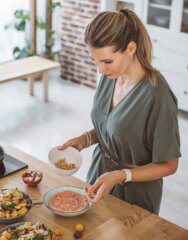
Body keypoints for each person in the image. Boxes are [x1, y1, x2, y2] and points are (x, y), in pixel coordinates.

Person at [58, 8, 181, 215]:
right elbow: (114, 127)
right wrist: (84, 139)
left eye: (107, 61)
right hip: (100, 175)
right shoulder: (111, 77)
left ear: (131, 48)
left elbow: (169, 165)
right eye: (94, 61)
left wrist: (120, 175)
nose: (101, 70)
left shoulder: (157, 96)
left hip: (136, 192)